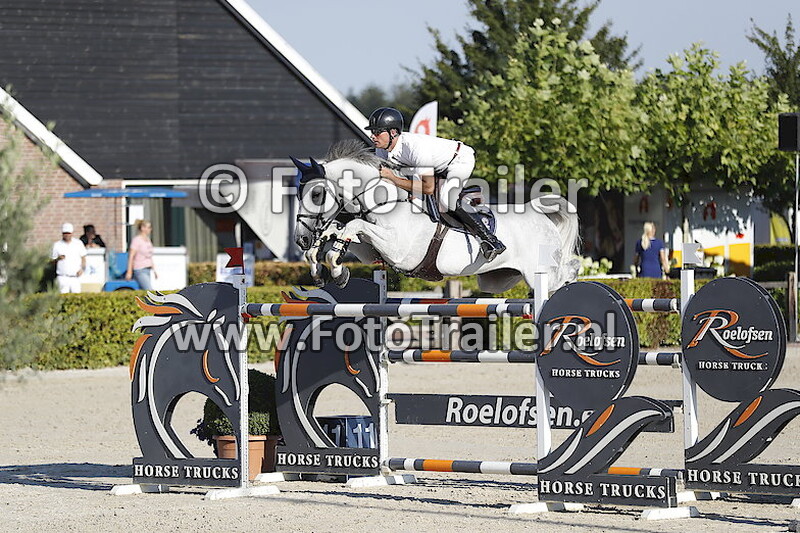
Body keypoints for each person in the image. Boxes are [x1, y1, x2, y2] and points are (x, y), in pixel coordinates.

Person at [365, 106, 506, 261]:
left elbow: (427, 187)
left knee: (447, 200)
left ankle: (490, 240)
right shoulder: (382, 150)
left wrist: (394, 179)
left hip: (458, 161)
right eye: (372, 132)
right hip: (433, 168)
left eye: (377, 132)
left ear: (393, 133)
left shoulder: (415, 147)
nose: (373, 136)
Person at [50, 222, 87, 293]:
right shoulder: (57, 245)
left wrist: (82, 269)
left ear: (72, 233)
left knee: (76, 297)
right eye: (65, 233)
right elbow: (52, 261)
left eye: (68, 233)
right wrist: (58, 259)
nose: (67, 235)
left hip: (75, 277)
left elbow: (83, 258)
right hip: (62, 277)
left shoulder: (78, 243)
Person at [125, 219, 157, 290]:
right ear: (142, 228)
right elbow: (131, 256)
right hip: (140, 269)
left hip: (148, 269)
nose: (149, 229)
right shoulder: (136, 240)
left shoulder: (148, 240)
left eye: (150, 227)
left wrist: (154, 270)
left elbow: (149, 256)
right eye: (148, 227)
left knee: (144, 291)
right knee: (149, 291)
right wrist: (129, 271)